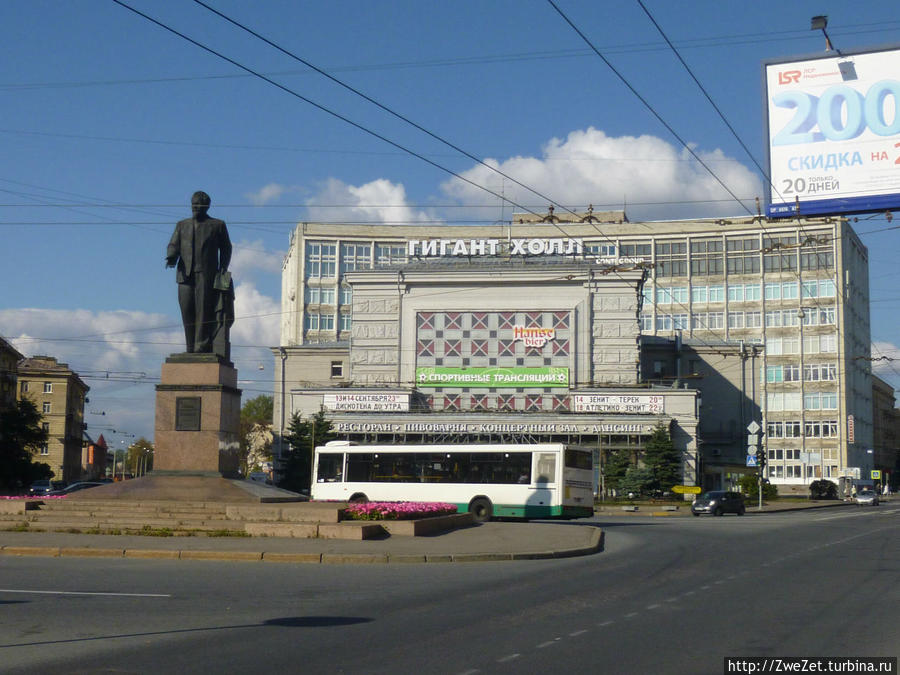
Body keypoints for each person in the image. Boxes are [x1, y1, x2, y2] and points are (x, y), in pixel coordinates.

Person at [166, 191, 234, 359]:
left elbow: (226, 247)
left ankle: (201, 346)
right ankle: (190, 347)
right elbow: (174, 243)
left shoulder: (217, 225)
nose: (194, 208)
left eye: (198, 205)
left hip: (207, 275)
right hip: (185, 275)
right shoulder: (182, 225)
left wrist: (223, 267)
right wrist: (171, 256)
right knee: (187, 309)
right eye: (193, 205)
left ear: (206, 206)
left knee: (204, 311)